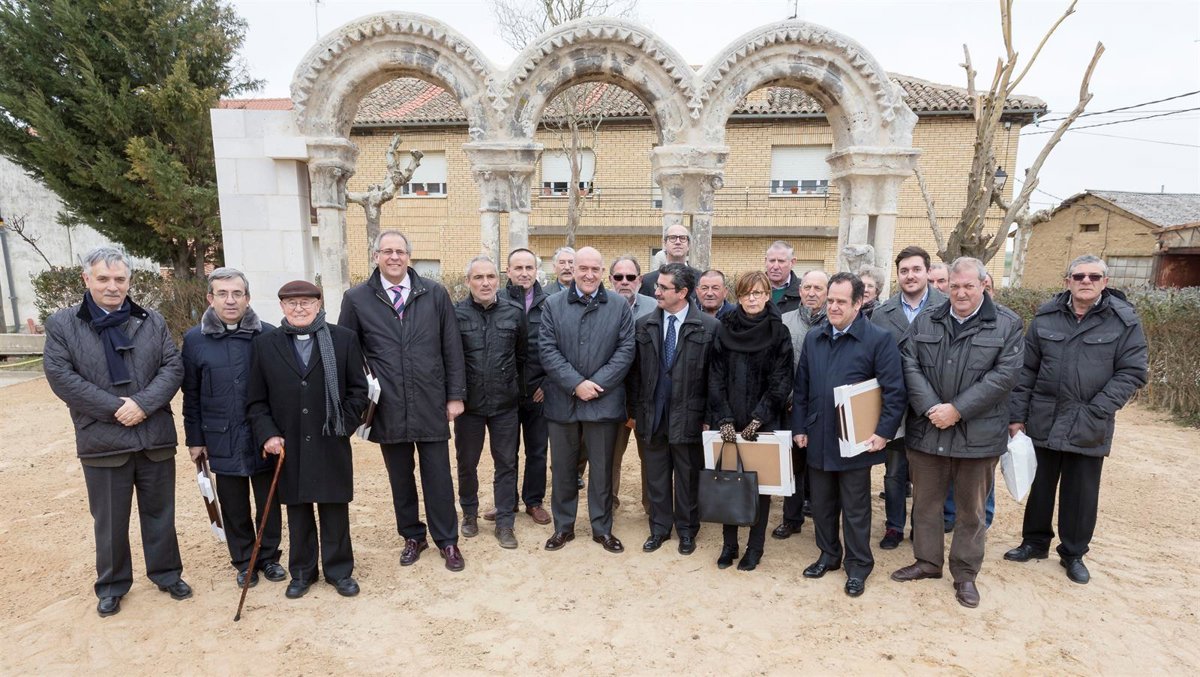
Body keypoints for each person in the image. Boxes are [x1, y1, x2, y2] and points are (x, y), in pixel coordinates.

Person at [44, 247, 188, 618]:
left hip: (154, 435)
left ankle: (167, 574)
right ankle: (112, 585)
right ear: (86, 279)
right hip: (102, 439)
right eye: (104, 278)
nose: (113, 286)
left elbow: (172, 368)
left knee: (160, 514)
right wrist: (116, 408)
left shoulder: (151, 320)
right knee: (109, 521)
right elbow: (61, 377)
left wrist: (142, 404)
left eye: (120, 279)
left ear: (129, 281)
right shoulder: (63, 324)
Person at [1005, 255, 1148, 584]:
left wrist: (1099, 408)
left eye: (1094, 276)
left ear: (1105, 282)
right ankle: (1034, 542)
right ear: (1067, 280)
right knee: (1040, 486)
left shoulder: (1123, 321)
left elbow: (1132, 371)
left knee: (1081, 493)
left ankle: (1073, 553)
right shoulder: (1046, 316)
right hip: (1044, 415)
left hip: (1089, 419)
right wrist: (1017, 416)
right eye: (1079, 276)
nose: (1086, 281)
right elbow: (1026, 370)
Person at [891, 257, 1023, 609]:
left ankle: (965, 574)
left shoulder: (1007, 324)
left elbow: (1004, 376)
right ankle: (927, 562)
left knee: (971, 511)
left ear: (984, 285)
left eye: (968, 286)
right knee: (926, 504)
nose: (961, 293)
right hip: (929, 428)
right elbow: (909, 363)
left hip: (978, 435)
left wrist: (957, 410)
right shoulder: (927, 320)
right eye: (954, 286)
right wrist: (932, 406)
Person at [339, 231, 468, 572]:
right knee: (400, 477)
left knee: (438, 475)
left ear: (409, 256)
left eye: (400, 251)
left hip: (430, 400)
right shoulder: (356, 299)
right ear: (376, 256)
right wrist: (359, 399)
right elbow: (347, 353)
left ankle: (447, 540)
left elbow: (452, 347)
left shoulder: (434, 293)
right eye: (387, 251)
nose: (394, 257)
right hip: (388, 405)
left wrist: (455, 395)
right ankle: (412, 535)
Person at [246, 280, 368, 599]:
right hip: (289, 442)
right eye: (292, 303)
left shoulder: (343, 339)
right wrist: (268, 434)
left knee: (334, 508)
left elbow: (359, 390)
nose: (299, 308)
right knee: (298, 510)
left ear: (318, 304)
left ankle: (339, 571)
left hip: (330, 438)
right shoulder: (265, 345)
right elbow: (256, 400)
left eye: (306, 302)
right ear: (282, 306)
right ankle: (302, 572)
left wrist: (343, 423)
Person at [792, 273, 906, 597]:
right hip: (818, 435)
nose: (833, 307)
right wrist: (800, 427)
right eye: (830, 300)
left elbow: (894, 392)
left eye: (841, 302)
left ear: (858, 303)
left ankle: (858, 566)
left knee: (855, 509)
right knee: (822, 505)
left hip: (857, 441)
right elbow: (801, 388)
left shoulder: (878, 340)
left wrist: (883, 433)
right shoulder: (814, 337)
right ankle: (828, 555)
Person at [182, 267, 285, 589]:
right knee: (234, 504)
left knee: (269, 499)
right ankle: (244, 561)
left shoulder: (268, 335)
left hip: (261, 435)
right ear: (210, 298)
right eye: (223, 294)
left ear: (247, 298)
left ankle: (269, 557)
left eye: (237, 293)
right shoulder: (194, 340)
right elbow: (191, 394)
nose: (230, 300)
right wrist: (195, 439)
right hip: (220, 436)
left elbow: (279, 390)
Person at [539, 246, 636, 553]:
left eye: (595, 269)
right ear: (573, 270)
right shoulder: (552, 305)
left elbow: (626, 351)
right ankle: (563, 527)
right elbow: (547, 349)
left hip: (603, 402)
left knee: (602, 470)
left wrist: (596, 384)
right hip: (563, 401)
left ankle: (602, 528)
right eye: (583, 268)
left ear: (603, 272)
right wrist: (576, 384)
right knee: (563, 469)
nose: (589, 275)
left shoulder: (619, 306)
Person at [627, 263, 719, 556]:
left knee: (688, 477)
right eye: (658, 286)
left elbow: (715, 378)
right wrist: (634, 412)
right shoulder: (644, 325)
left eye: (664, 287)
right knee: (656, 476)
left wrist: (709, 417)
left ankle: (687, 530)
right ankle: (659, 528)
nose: (657, 292)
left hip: (690, 416)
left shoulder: (708, 327)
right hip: (652, 415)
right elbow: (635, 374)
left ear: (682, 292)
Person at [709, 271, 794, 571]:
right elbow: (715, 376)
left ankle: (754, 548)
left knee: (761, 485)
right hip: (729, 421)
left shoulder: (778, 332)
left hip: (762, 423)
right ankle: (729, 544)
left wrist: (759, 418)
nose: (752, 299)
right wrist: (724, 417)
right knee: (729, 481)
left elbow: (782, 380)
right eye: (746, 293)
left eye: (758, 293)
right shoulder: (725, 327)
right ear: (739, 296)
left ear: (768, 295)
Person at [871, 246, 946, 550]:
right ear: (897, 275)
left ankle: (922, 527)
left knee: (928, 473)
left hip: (933, 403)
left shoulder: (946, 306)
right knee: (894, 471)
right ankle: (893, 526)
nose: (910, 276)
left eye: (916, 269)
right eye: (904, 271)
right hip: (895, 404)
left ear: (927, 272)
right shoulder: (882, 313)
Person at [453, 256, 528, 549]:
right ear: (468, 282)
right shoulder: (455, 314)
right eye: (478, 277)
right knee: (466, 462)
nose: (485, 283)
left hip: (505, 405)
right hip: (469, 406)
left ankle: (505, 522)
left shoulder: (514, 313)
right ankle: (469, 514)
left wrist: (516, 389)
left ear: (498, 280)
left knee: (506, 463)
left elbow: (522, 356)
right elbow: (449, 359)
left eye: (490, 277)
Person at [482, 248, 552, 525]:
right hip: (505, 394)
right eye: (518, 268)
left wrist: (547, 382)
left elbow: (559, 347)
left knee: (537, 451)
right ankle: (506, 502)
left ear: (536, 271)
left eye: (529, 268)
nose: (524, 273)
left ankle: (533, 501)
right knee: (505, 453)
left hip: (538, 392)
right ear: (508, 272)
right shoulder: (495, 302)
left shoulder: (550, 304)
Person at [773, 268, 829, 540]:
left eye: (818, 288)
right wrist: (790, 399)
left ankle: (823, 521)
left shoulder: (836, 322)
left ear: (827, 293)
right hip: (790, 407)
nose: (811, 293)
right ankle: (791, 518)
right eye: (807, 287)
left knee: (821, 469)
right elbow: (778, 366)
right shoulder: (784, 321)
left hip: (824, 410)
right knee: (792, 467)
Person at [608, 256, 657, 512]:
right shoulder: (601, 305)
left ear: (640, 279)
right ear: (610, 280)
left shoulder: (654, 307)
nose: (624, 282)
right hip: (611, 396)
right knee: (610, 456)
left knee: (650, 456)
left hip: (646, 397)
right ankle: (608, 504)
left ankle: (652, 507)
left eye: (630, 277)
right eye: (619, 277)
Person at [640, 225, 699, 297]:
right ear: (665, 243)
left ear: (688, 245)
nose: (678, 242)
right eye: (672, 238)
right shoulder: (648, 281)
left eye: (683, 238)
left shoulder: (700, 279)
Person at [764, 241, 803, 312]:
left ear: (792, 262)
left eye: (781, 261)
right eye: (772, 261)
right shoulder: (751, 289)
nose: (775, 267)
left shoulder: (804, 291)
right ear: (766, 261)